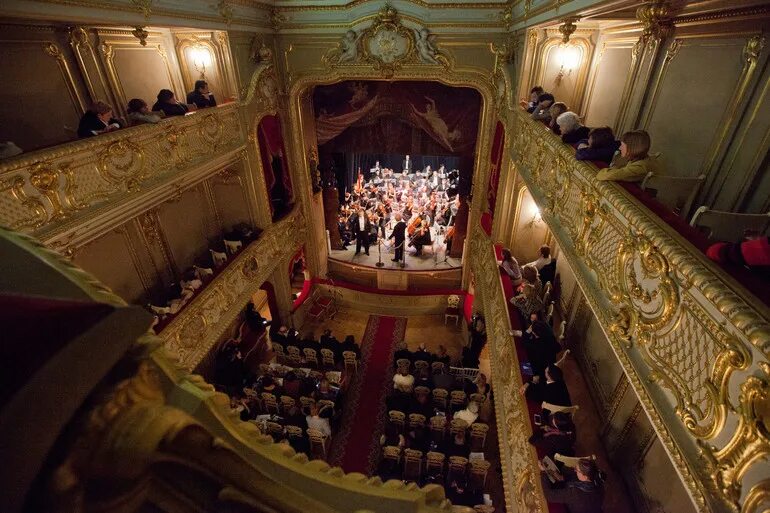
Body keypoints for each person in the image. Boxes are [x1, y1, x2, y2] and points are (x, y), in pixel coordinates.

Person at [596, 130, 664, 182]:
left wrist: (607, 170)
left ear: (631, 148)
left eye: (622, 145)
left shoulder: (639, 167)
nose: (620, 148)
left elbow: (603, 176)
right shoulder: (640, 159)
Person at [540, 458, 605, 513]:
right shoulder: (597, 481)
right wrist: (563, 477)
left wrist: (543, 472)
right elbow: (576, 478)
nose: (574, 470)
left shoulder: (576, 493)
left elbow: (549, 495)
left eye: (577, 470)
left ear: (585, 477)